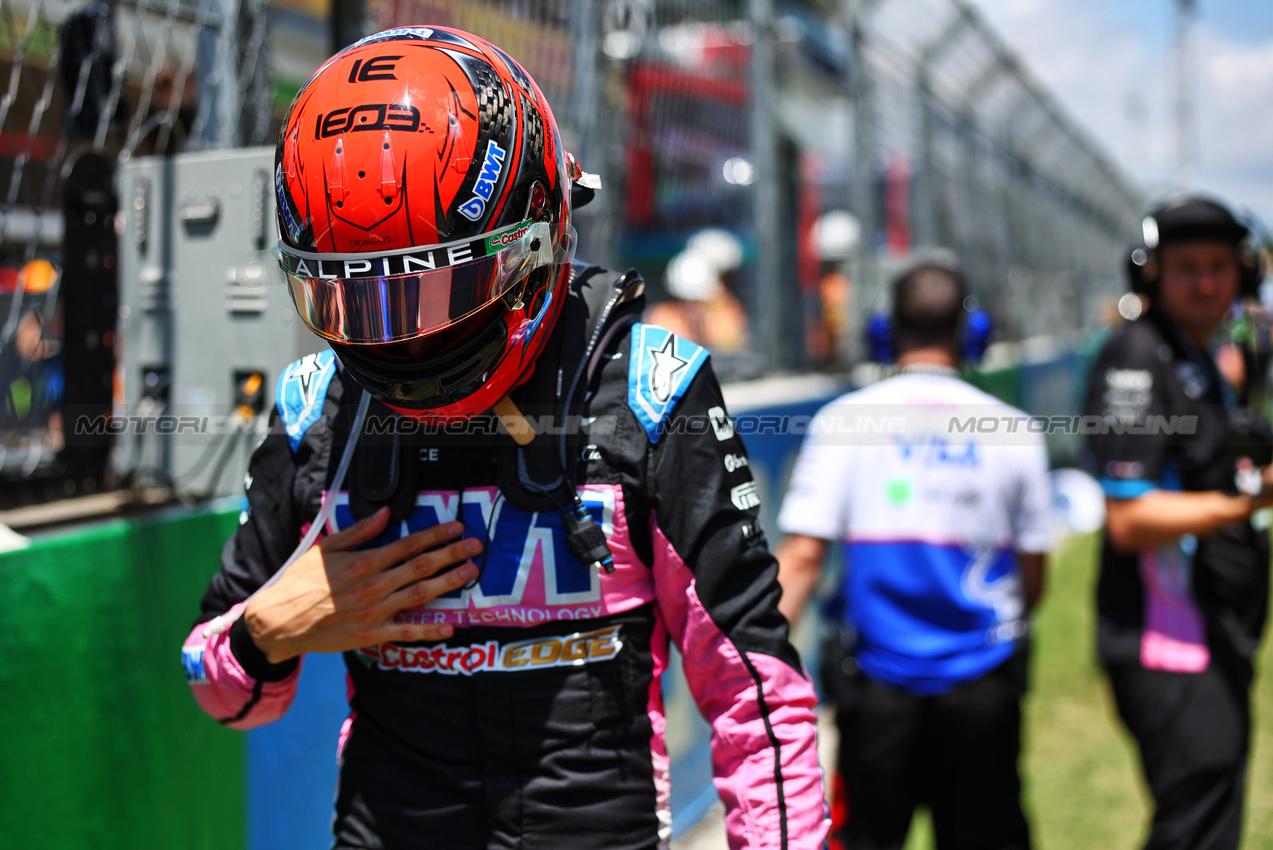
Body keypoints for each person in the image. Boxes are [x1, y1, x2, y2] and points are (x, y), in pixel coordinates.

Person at [180, 26, 827, 850]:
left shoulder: (648, 386)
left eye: (437, 294)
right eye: (365, 306)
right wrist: (265, 631)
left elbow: (753, 687)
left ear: (541, 230)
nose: (402, 343)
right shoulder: (319, 407)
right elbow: (220, 689)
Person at [775, 264, 1051, 850]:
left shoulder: (842, 422)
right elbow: (1034, 579)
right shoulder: (1016, 430)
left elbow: (801, 559)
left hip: (876, 693)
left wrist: (752, 669)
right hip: (983, 687)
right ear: (972, 333)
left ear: (882, 331)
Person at [1085, 195, 1273, 850]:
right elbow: (1129, 518)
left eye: (1219, 266)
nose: (1204, 282)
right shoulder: (1137, 354)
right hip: (1168, 644)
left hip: (1206, 637)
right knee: (1195, 826)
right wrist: (1250, 502)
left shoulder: (1194, 356)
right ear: (1151, 275)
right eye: (1186, 267)